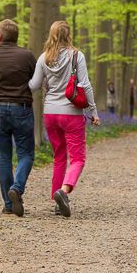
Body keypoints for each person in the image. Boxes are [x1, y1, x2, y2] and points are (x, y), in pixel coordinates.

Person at [28, 20, 100, 218]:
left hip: (50, 114)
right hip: (71, 113)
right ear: (69, 36)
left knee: (59, 156)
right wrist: (93, 112)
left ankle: (57, 202)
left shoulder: (44, 58)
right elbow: (85, 85)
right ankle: (64, 191)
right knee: (77, 158)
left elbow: (33, 85)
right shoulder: (77, 56)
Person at [0, 19, 37, 217]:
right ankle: (17, 187)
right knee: (26, 154)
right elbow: (34, 79)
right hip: (21, 108)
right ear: (17, 37)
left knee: (4, 158)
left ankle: (8, 204)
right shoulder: (26, 56)